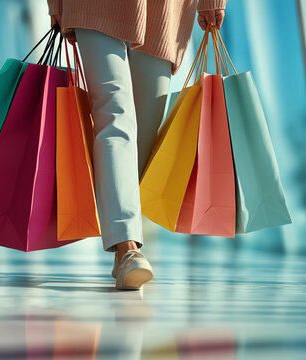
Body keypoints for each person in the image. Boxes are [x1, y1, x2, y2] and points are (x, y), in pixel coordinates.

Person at [47, 0, 226, 289]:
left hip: (165, 9)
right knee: (115, 114)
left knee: (143, 135)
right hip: (94, 7)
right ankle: (127, 248)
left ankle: (114, 226)